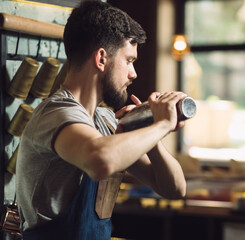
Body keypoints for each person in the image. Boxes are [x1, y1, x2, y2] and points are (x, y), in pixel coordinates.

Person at [15, 1, 187, 239]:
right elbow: (101, 160)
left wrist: (150, 133)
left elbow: (174, 188)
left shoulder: (106, 121)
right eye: (128, 60)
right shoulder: (56, 113)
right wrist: (162, 125)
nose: (133, 73)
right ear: (101, 59)